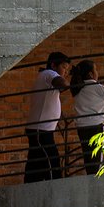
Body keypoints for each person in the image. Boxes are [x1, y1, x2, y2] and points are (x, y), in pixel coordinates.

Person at [23, 51, 71, 183]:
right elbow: (64, 84)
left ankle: (29, 188)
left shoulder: (46, 76)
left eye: (67, 69)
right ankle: (54, 188)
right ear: (53, 65)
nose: (65, 72)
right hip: (41, 129)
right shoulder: (49, 73)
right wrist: (71, 82)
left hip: (41, 128)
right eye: (64, 68)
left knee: (35, 163)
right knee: (52, 161)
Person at [69, 59, 104, 175]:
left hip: (81, 127)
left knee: (88, 157)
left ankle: (91, 178)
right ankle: (96, 183)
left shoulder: (78, 88)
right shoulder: (96, 86)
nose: (97, 72)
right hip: (96, 127)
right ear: (90, 74)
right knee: (97, 158)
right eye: (96, 70)